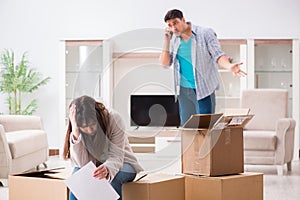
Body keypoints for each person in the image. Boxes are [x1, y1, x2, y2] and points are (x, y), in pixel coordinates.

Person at [159, 9, 247, 125]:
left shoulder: (205, 33)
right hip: (184, 92)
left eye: (175, 23)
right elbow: (164, 63)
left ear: (183, 20)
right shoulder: (174, 40)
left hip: (203, 90)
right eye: (170, 25)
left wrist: (229, 66)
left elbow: (218, 54)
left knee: (205, 130)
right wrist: (166, 40)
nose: (173, 28)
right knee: (187, 131)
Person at [63, 95, 143, 200]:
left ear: (97, 117)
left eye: (92, 125)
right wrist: (76, 131)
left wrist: (107, 168)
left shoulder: (114, 118)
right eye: (84, 127)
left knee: (111, 181)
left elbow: (117, 155)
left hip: (123, 163)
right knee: (77, 184)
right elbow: (81, 165)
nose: (90, 130)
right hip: (94, 165)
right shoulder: (76, 127)